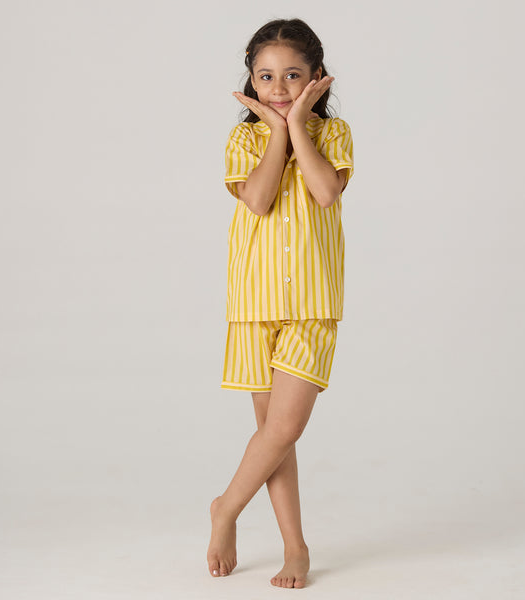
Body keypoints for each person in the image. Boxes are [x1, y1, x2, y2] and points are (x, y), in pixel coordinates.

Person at [207, 17, 354, 589]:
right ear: (251, 79)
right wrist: (275, 133)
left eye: (293, 75)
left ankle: (225, 508)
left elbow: (325, 191)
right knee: (274, 436)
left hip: (313, 303)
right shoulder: (244, 140)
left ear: (316, 76)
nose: (278, 86)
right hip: (255, 301)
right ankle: (296, 547)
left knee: (284, 428)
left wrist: (296, 126)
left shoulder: (333, 135)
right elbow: (259, 200)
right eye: (265, 76)